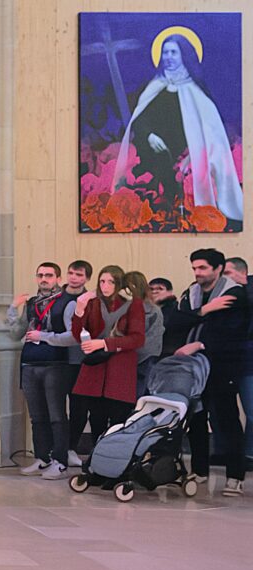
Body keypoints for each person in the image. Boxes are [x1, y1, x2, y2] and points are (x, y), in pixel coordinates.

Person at [112, 34, 243, 223]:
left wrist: (191, 156)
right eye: (165, 52)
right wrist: (149, 135)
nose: (168, 57)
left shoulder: (197, 90)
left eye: (174, 52)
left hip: (187, 159)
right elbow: (139, 119)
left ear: (184, 56)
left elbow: (211, 131)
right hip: (153, 157)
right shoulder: (152, 86)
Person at [169, 248, 248, 496]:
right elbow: (175, 322)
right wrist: (204, 311)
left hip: (222, 365)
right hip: (192, 367)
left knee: (226, 419)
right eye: (194, 268)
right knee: (195, 418)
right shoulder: (190, 293)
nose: (197, 273)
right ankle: (200, 470)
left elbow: (232, 331)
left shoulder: (234, 293)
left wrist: (201, 343)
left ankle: (235, 476)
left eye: (202, 268)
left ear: (218, 269)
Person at [8, 262, 81, 479]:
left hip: (55, 364)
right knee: (37, 416)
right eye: (40, 275)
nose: (44, 279)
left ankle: (60, 460)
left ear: (58, 278)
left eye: (49, 275)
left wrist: (45, 337)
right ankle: (42, 457)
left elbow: (73, 336)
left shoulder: (67, 303)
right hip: (30, 363)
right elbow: (16, 333)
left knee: (57, 416)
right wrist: (13, 308)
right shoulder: (32, 303)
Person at [71, 265, 144, 455]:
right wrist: (79, 309)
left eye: (111, 282)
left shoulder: (132, 304)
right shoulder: (93, 302)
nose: (105, 286)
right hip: (95, 368)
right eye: (102, 281)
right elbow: (79, 335)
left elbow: (137, 338)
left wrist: (104, 343)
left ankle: (115, 462)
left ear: (119, 283)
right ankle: (97, 461)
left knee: (119, 419)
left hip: (119, 368)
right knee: (96, 418)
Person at [223, 259, 253, 466]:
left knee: (251, 409)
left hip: (246, 360)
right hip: (232, 359)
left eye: (227, 272)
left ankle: (248, 453)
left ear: (241, 273)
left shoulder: (243, 294)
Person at [63, 260, 93, 461]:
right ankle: (56, 448)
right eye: (71, 273)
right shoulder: (58, 297)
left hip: (81, 360)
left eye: (79, 275)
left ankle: (71, 446)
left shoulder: (92, 300)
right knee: (55, 406)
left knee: (79, 407)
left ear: (87, 278)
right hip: (58, 359)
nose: (74, 278)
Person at [124, 271, 163, 398]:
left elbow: (153, 343)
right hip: (121, 361)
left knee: (137, 398)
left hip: (143, 361)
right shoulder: (121, 308)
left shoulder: (153, 310)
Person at [150, 277, 186, 356]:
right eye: (151, 289)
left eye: (160, 288)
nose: (154, 291)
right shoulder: (147, 310)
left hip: (168, 354)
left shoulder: (177, 309)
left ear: (170, 292)